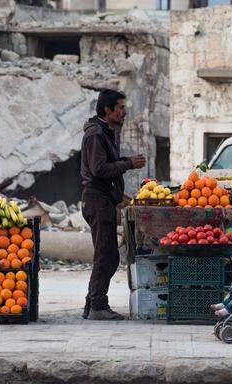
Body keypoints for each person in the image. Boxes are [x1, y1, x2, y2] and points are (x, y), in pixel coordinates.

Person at [81, 89, 146, 320]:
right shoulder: (96, 134)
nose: (124, 112)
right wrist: (128, 163)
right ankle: (97, 305)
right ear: (107, 109)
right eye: (119, 107)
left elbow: (106, 169)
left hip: (105, 199)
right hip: (96, 201)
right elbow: (98, 169)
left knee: (108, 254)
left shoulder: (106, 132)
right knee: (106, 254)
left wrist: (122, 197)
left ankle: (93, 303)